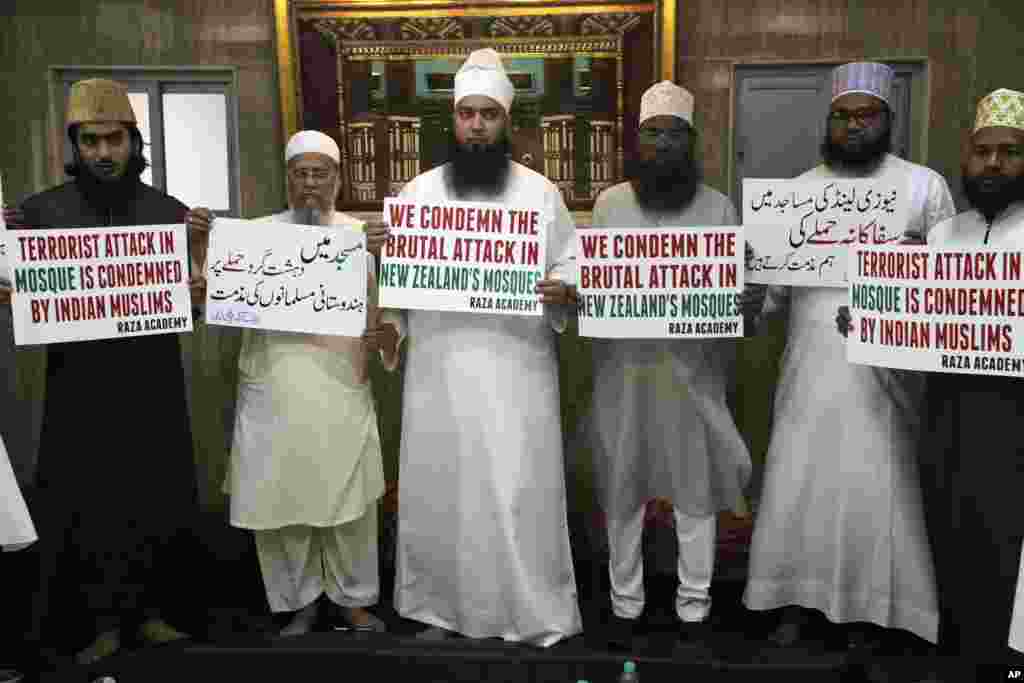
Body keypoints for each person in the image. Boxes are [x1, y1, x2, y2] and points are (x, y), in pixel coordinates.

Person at [743, 62, 956, 651]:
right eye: (842, 116)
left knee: (877, 488)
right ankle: (793, 600)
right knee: (799, 486)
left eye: (866, 116)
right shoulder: (797, 195)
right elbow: (768, 308)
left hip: (886, 375)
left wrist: (912, 277)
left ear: (888, 120)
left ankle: (875, 611)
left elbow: (948, 297)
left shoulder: (924, 188)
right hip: (808, 371)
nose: (853, 126)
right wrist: (751, 297)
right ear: (828, 122)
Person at [375, 48, 582, 647]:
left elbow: (570, 265)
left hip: (518, 373)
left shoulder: (541, 194)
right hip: (439, 375)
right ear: (454, 119)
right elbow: (399, 283)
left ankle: (528, 612)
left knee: (517, 491)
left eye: (488, 114)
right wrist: (388, 318)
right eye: (466, 113)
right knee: (442, 491)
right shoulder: (418, 193)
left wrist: (563, 287)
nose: (476, 124)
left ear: (506, 122)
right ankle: (441, 612)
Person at [1, 78, 206, 666]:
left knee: (155, 497)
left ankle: (153, 614)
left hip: (151, 388)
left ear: (132, 141)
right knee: (87, 504)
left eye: (113, 139)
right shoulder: (40, 213)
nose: (102, 152)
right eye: (90, 141)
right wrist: (7, 253)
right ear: (76, 146)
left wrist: (197, 265)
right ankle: (99, 623)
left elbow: (193, 304)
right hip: (79, 391)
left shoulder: (168, 213)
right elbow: (15, 290)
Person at [838, 88, 1024, 679]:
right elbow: (920, 339)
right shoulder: (942, 240)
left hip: (1017, 419)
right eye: (982, 152)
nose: (992, 164)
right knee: (951, 534)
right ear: (965, 159)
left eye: (1010, 152)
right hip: (948, 415)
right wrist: (872, 319)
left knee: (1008, 549)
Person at [188, 130, 400, 637]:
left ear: (338, 179)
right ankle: (300, 603)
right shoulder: (255, 235)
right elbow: (212, 296)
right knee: (283, 505)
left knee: (349, 503)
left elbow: (390, 317)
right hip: (272, 389)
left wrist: (385, 333)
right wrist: (200, 247)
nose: (309, 183)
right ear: (287, 180)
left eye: (319, 173)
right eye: (300, 174)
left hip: (340, 386)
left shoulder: (363, 235)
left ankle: (352, 601)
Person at [580, 81, 757, 649]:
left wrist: (745, 296)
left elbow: (734, 296)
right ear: (637, 141)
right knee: (622, 487)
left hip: (692, 377)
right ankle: (624, 602)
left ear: (690, 141)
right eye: (652, 133)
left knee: (695, 491)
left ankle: (695, 605)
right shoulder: (608, 205)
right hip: (622, 375)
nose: (662, 144)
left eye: (673, 134)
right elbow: (590, 282)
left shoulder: (718, 207)